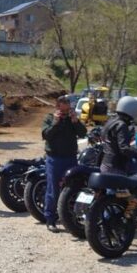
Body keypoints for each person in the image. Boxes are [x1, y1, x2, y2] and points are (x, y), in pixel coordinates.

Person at [41, 95, 88, 232]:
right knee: (53, 190)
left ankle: (69, 217)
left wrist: (75, 122)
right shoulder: (50, 118)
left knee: (72, 188)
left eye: (67, 110)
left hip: (70, 158)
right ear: (57, 107)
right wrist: (55, 123)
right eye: (63, 111)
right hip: (54, 159)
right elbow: (46, 135)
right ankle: (50, 219)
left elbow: (83, 133)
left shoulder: (71, 119)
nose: (65, 113)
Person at [99, 96, 137, 175]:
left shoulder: (111, 120)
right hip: (115, 167)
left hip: (106, 164)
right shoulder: (121, 125)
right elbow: (124, 149)